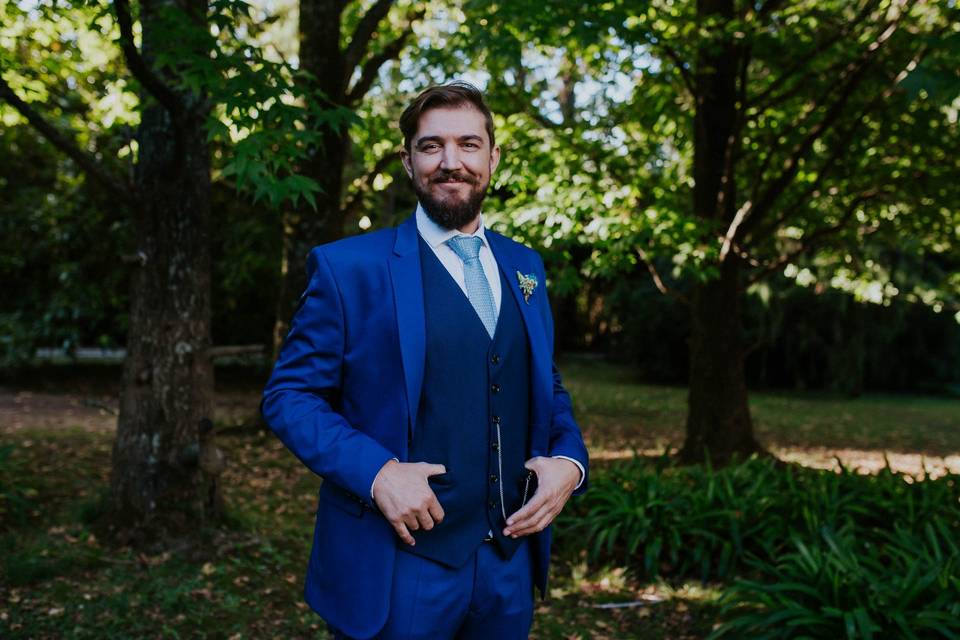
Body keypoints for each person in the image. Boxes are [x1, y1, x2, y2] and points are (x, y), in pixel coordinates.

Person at [261, 81, 589, 640]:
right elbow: (289, 397)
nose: (451, 162)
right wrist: (377, 473)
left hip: (508, 568)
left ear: (493, 157)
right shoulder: (349, 269)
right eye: (431, 146)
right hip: (400, 563)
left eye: (468, 144)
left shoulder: (525, 266)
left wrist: (569, 464)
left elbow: (543, 384)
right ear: (408, 162)